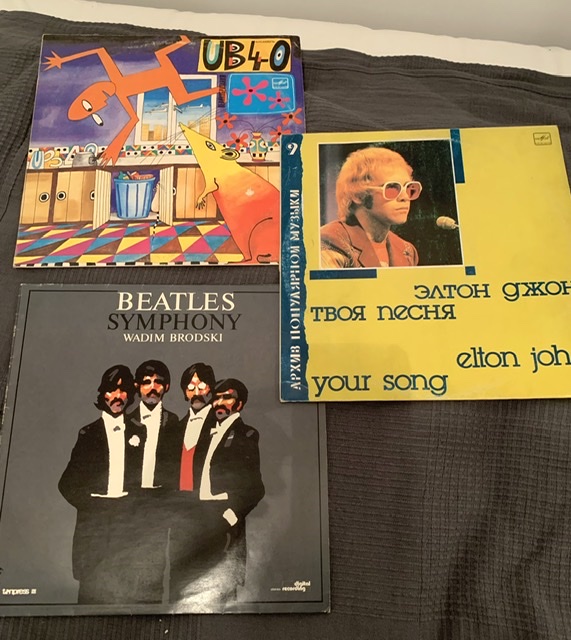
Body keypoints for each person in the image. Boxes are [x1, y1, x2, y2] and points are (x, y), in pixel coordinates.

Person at [58, 364, 145, 604]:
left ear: (130, 395)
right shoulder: (88, 434)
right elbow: (67, 484)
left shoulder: (140, 432)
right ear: (102, 394)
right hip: (95, 531)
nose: (117, 396)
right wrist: (94, 504)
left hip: (128, 528)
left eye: (123, 390)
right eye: (111, 390)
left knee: (130, 599)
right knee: (91, 599)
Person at [189, 378, 265, 602]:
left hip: (225, 521)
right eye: (216, 398)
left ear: (239, 404)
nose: (220, 403)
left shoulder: (246, 435)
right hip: (198, 518)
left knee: (223, 589)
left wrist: (230, 515)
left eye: (227, 398)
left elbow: (255, 488)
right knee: (195, 586)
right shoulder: (206, 434)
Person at [127, 360, 180, 603]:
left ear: (166, 387)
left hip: (161, 503)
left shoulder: (174, 422)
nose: (152, 387)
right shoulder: (124, 421)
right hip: (129, 503)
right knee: (125, 562)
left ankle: (151, 611)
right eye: (146, 382)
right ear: (137, 387)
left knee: (156, 564)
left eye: (158, 382)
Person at [320, 146, 421, 268]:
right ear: (358, 195)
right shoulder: (330, 242)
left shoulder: (407, 251)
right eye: (392, 188)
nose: (405, 197)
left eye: (409, 188)